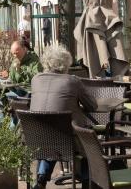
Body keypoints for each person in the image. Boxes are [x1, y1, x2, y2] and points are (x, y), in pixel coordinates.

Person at [30, 45, 96, 189]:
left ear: (45, 62)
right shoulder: (73, 81)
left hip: (37, 139)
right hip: (69, 141)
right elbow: (92, 106)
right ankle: (87, 181)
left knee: (52, 135)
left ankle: (41, 179)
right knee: (87, 141)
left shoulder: (35, 79)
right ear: (66, 63)